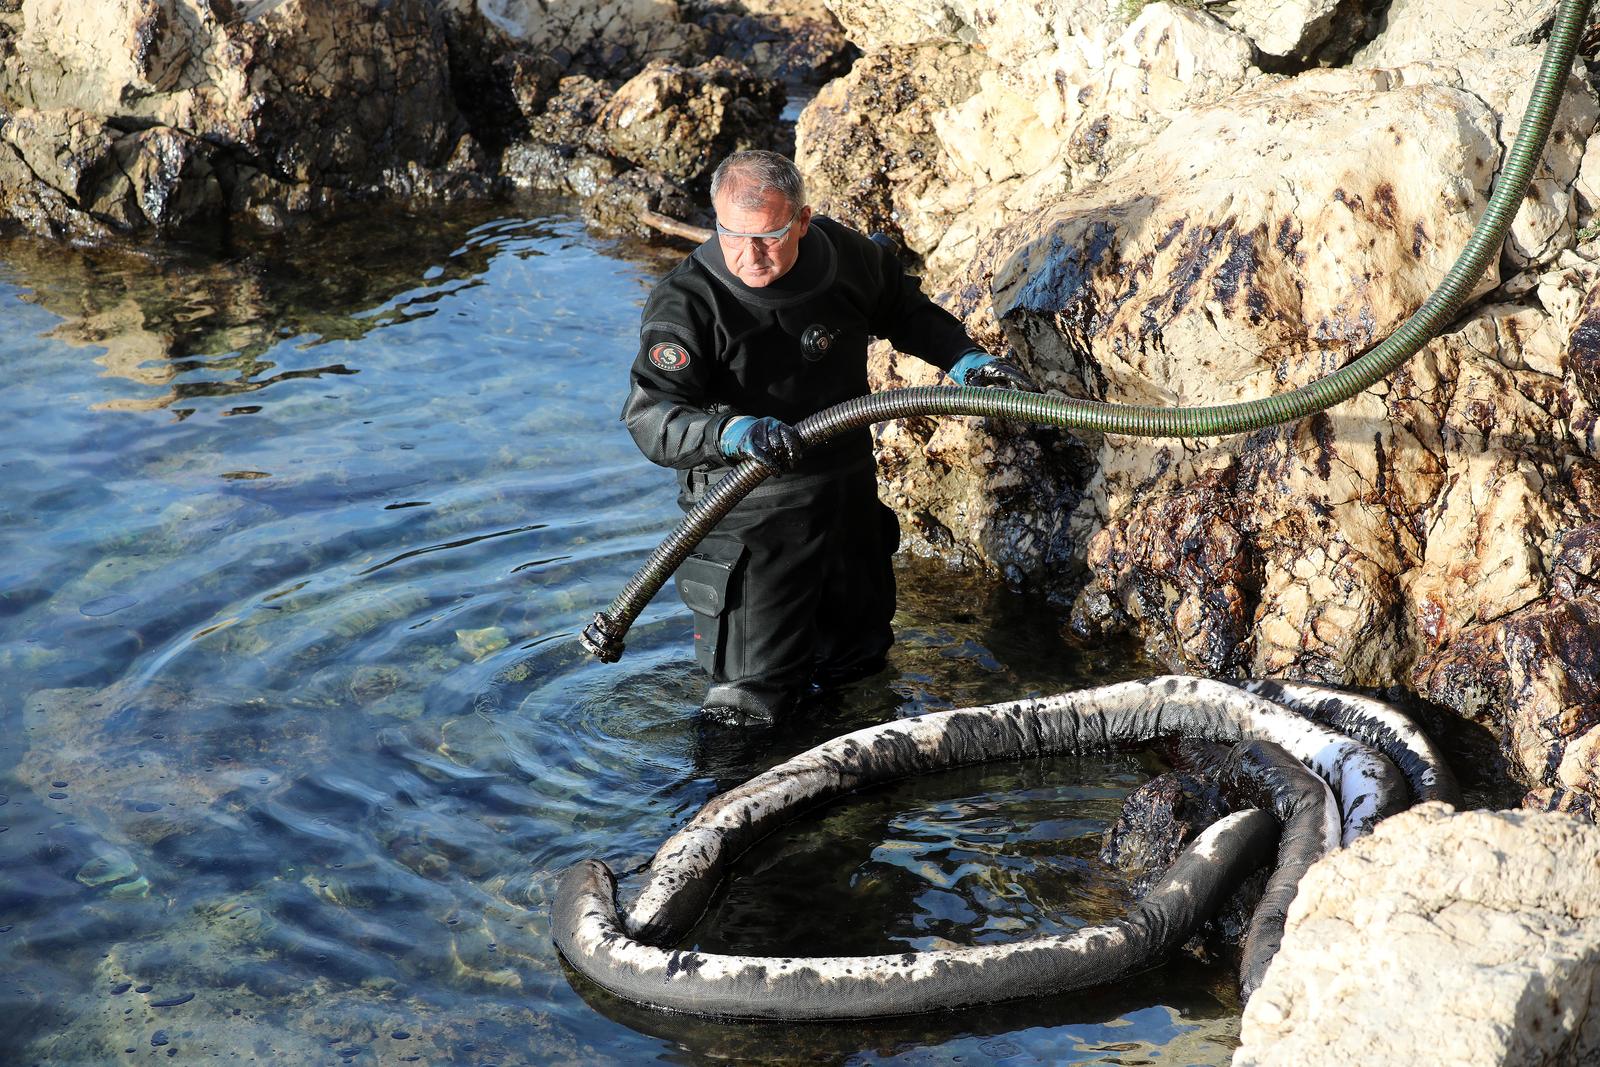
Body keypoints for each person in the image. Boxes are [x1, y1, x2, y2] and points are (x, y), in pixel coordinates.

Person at [622, 150, 1038, 723]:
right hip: (749, 523)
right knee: (750, 708)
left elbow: (903, 310)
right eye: (731, 236)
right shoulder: (689, 302)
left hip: (847, 511)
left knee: (861, 677)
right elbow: (650, 419)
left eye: (768, 237)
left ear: (801, 219)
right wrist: (733, 431)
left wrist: (963, 359)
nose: (749, 256)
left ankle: (866, 806)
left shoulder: (842, 257)